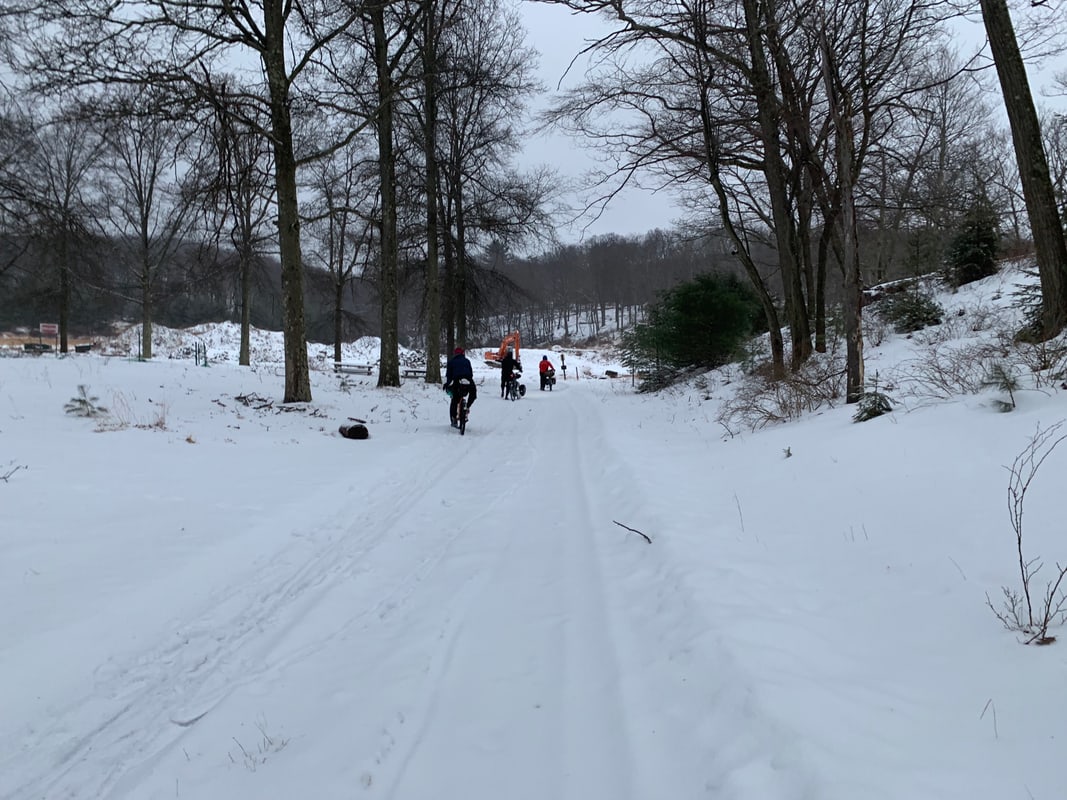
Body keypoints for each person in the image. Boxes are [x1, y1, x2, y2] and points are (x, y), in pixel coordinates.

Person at [443, 347, 477, 427]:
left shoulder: (451, 362)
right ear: (462, 354)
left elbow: (449, 375)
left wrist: (447, 384)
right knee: (473, 394)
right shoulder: (467, 361)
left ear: (455, 354)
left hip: (457, 381)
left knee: (455, 399)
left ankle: (453, 419)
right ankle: (467, 407)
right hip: (468, 380)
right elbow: (471, 373)